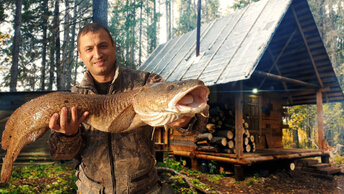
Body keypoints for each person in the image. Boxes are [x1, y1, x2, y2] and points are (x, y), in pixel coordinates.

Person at [48, 23, 207, 193]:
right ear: (81, 55)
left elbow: (195, 126)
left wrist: (186, 121)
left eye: (103, 46)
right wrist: (69, 135)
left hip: (144, 189)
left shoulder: (147, 83)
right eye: (89, 49)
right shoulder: (71, 98)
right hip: (92, 189)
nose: (97, 54)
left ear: (113, 47)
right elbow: (60, 154)